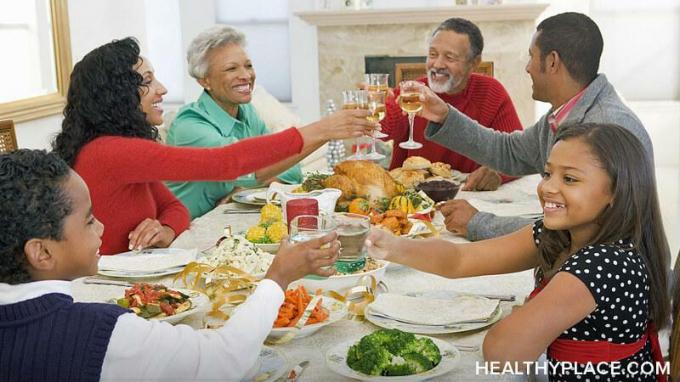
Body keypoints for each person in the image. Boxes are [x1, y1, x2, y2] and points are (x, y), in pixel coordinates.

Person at [0, 149, 341, 381]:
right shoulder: (99, 333)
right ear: (41, 254)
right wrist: (277, 278)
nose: (101, 228)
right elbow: (222, 361)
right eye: (89, 221)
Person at [365, 123, 669, 380]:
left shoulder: (604, 264)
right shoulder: (559, 235)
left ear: (617, 191)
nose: (548, 187)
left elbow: (502, 354)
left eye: (570, 179)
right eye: (548, 174)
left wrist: (529, 315)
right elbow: (460, 260)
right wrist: (392, 246)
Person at [52, 37, 374, 255]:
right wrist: (321, 129)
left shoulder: (127, 146)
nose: (162, 89)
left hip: (138, 270)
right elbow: (227, 163)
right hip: (106, 283)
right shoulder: (110, 151)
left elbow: (175, 208)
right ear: (118, 93)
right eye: (147, 81)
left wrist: (164, 229)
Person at [408, 12, 652, 241]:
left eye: (531, 56)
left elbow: (573, 233)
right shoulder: (563, 114)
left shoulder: (606, 127)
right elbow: (509, 152)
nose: (527, 67)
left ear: (552, 62)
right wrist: (444, 116)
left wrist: (478, 223)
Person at [167, 26, 305, 218]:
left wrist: (243, 189)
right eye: (232, 68)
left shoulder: (247, 111)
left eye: (248, 66)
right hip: (185, 235)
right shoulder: (190, 126)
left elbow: (293, 168)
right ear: (205, 81)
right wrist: (256, 180)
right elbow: (250, 170)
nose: (246, 76)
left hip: (229, 224)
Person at [380, 17, 523, 191]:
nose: (437, 64)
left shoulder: (492, 92)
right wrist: (373, 108)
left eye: (450, 57)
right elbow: (386, 126)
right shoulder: (414, 91)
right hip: (413, 197)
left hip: (469, 198)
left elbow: (518, 155)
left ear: (474, 63)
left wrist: (497, 173)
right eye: (432, 54)